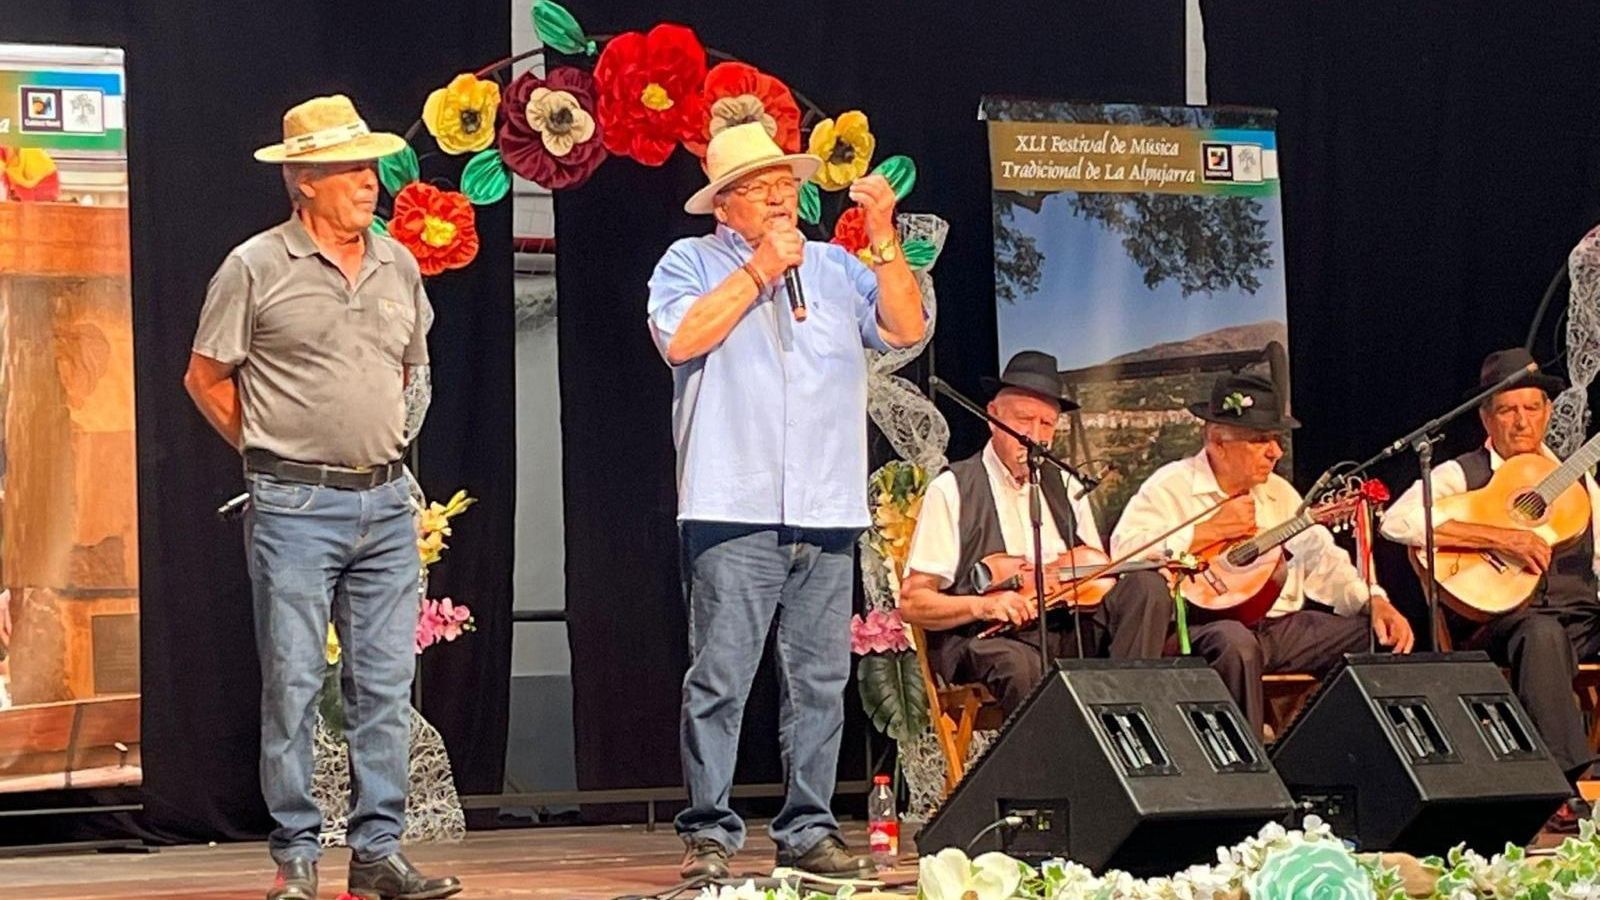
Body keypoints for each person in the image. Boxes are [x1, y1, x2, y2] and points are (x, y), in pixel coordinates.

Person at [184, 95, 459, 900]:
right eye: (350, 170)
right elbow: (204, 376)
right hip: (296, 509)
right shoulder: (255, 266)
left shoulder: (397, 264)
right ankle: (297, 856)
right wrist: (267, 453)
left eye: (371, 168)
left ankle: (378, 853)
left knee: (382, 686)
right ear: (303, 181)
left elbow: (411, 368)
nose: (370, 183)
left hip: (383, 504)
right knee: (298, 682)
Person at [646, 122, 925, 881]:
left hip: (828, 505)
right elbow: (681, 339)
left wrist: (884, 238)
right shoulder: (689, 262)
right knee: (722, 675)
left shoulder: (836, 267)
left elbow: (906, 327)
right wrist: (760, 272)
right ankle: (709, 832)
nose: (780, 199)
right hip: (731, 503)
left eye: (787, 186)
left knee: (819, 680)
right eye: (761, 189)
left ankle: (808, 829)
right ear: (724, 205)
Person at [1110, 373, 1414, 733]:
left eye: (1275, 439)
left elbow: (1324, 559)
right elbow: (1126, 552)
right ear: (1217, 442)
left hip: (1276, 629)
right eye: (1260, 440)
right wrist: (1206, 532)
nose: (1276, 452)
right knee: (1236, 644)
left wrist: (1373, 601)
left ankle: (1314, 749)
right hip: (1200, 627)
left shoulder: (1278, 493)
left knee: (1376, 638)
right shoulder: (1172, 485)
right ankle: (1244, 767)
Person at [1382, 347, 1599, 826]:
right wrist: (1498, 535)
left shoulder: (1576, 475)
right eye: (1507, 410)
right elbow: (1396, 522)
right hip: (1503, 620)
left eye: (1532, 408)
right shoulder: (1462, 473)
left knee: (1556, 632)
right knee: (1542, 635)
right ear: (1486, 417)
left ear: (1547, 413)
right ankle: (1560, 787)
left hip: (1581, 615)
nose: (1521, 422)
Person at [898, 351, 1172, 714]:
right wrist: (985, 603)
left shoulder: (1068, 484)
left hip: (1065, 625)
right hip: (987, 636)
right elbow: (914, 602)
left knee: (1146, 588)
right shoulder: (953, 489)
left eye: (1047, 424)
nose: (1036, 436)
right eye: (1025, 421)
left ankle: (1128, 721)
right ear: (993, 417)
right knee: (1024, 667)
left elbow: (1096, 574)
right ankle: (1055, 767)